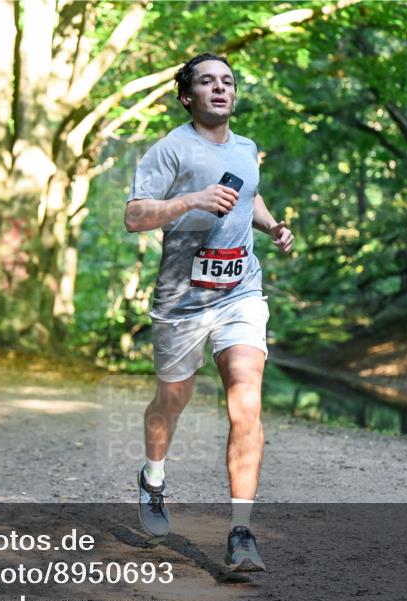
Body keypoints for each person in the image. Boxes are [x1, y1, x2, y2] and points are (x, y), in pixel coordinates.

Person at [124, 53, 294, 571]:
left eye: (227, 82)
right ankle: (153, 478)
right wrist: (189, 201)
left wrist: (271, 227)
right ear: (187, 95)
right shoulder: (171, 149)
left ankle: (241, 532)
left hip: (241, 291)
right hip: (182, 298)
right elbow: (135, 215)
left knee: (246, 402)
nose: (220, 89)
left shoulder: (245, 149)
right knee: (171, 401)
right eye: (207, 82)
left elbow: (250, 195)